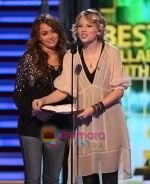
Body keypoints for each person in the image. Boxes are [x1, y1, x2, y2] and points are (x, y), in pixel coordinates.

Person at [32, 9, 132, 184]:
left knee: (110, 178)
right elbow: (64, 90)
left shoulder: (112, 53)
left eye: (89, 26)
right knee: (88, 178)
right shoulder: (71, 56)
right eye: (80, 26)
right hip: (85, 126)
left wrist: (95, 108)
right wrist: (44, 100)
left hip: (110, 123)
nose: (83, 30)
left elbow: (118, 90)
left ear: (99, 29)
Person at [13, 14, 71, 184]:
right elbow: (18, 94)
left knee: (52, 179)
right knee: (32, 179)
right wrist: (35, 112)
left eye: (53, 31)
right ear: (37, 36)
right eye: (44, 33)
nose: (50, 36)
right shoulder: (29, 58)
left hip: (59, 126)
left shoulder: (68, 58)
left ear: (59, 32)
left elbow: (70, 92)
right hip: (32, 126)